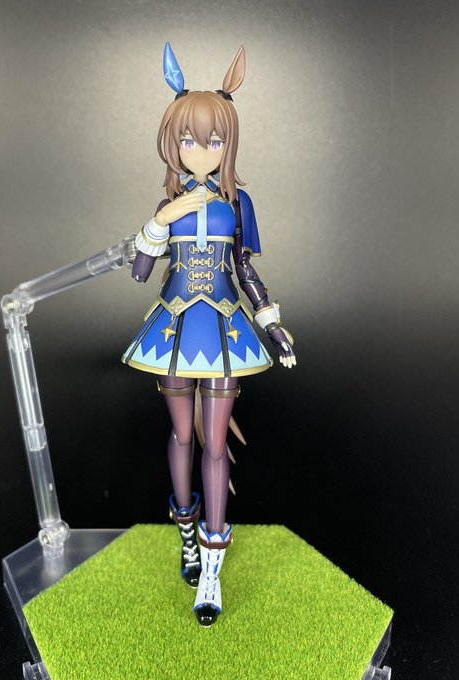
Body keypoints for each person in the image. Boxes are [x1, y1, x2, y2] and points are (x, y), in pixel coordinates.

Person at [122, 43, 296, 626]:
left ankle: (212, 570)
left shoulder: (238, 203)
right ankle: (187, 537)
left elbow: (244, 270)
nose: (201, 151)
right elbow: (140, 271)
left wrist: (271, 322)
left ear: (228, 144)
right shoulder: (168, 203)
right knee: (182, 437)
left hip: (223, 328)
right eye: (190, 141)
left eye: (214, 141)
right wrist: (158, 221)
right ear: (173, 144)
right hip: (174, 327)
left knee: (215, 445)